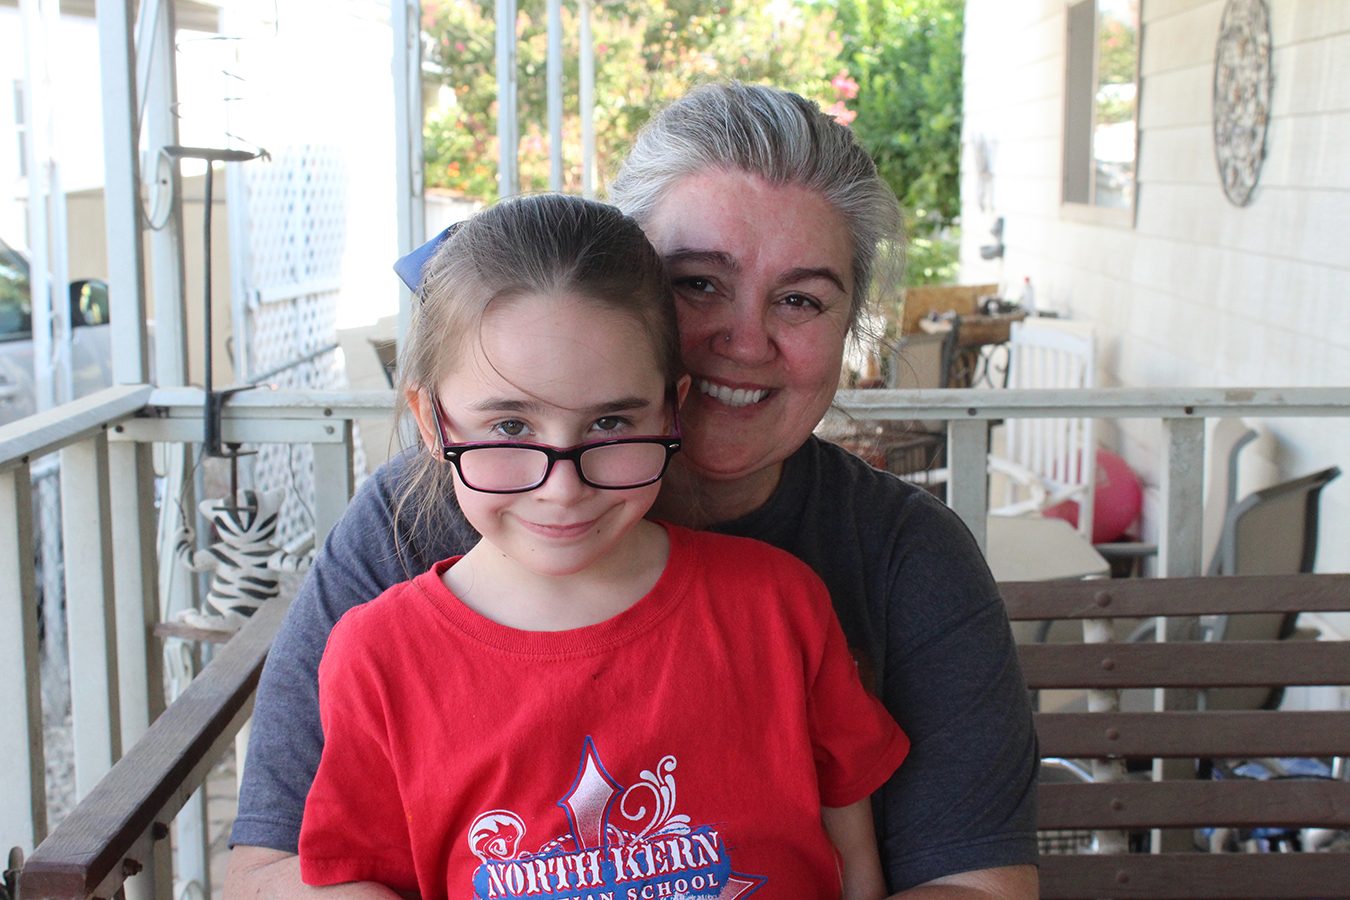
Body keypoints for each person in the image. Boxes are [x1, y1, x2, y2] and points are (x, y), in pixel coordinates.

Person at [225, 81, 1039, 900]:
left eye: (800, 299)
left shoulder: (892, 559)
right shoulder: (415, 522)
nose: (744, 342)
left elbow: (977, 884)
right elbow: (269, 872)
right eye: (698, 283)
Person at [297, 192, 909, 900]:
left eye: (611, 423)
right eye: (510, 428)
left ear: (673, 408)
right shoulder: (378, 659)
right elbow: (358, 876)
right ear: (431, 422)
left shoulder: (781, 606)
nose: (563, 489)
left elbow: (852, 860)